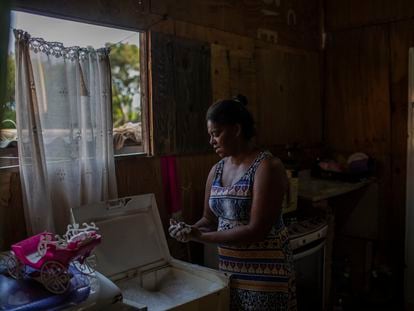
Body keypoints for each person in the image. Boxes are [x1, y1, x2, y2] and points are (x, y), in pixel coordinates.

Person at [169, 95, 296, 311]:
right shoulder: (216, 170)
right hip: (230, 271)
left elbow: (256, 231)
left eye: (216, 134)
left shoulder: (267, 167)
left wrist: (199, 237)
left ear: (236, 130)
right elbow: (209, 220)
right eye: (210, 135)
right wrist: (188, 229)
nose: (212, 141)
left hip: (266, 273)